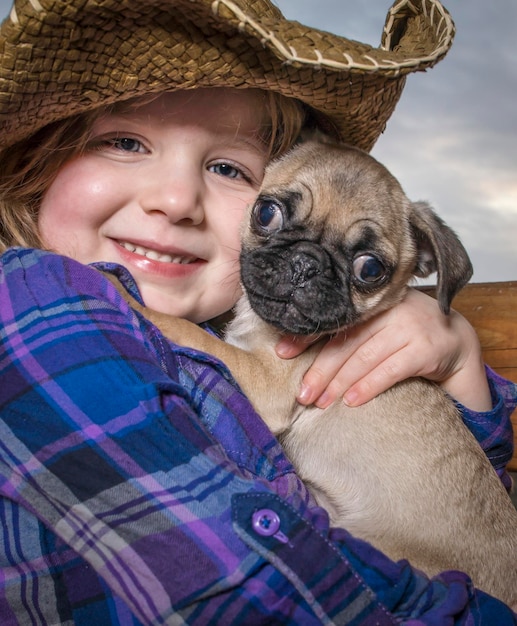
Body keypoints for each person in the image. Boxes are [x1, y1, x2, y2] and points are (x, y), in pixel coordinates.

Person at [0, 0, 515, 623]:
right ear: (37, 160)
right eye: (125, 142)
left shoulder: (217, 333)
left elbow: (470, 513)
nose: (177, 199)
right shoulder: (47, 309)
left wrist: (458, 360)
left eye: (366, 267)